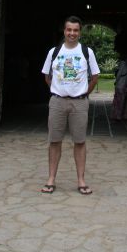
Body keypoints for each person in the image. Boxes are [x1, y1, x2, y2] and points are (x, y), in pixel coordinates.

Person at [41, 16, 100, 195]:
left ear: (79, 32)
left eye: (75, 30)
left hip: (79, 103)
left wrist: (84, 93)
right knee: (54, 141)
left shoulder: (87, 52)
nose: (72, 33)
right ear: (64, 31)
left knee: (80, 142)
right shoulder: (54, 51)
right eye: (69, 30)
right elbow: (46, 76)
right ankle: (51, 178)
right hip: (58, 101)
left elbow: (95, 76)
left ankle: (81, 180)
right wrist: (58, 90)